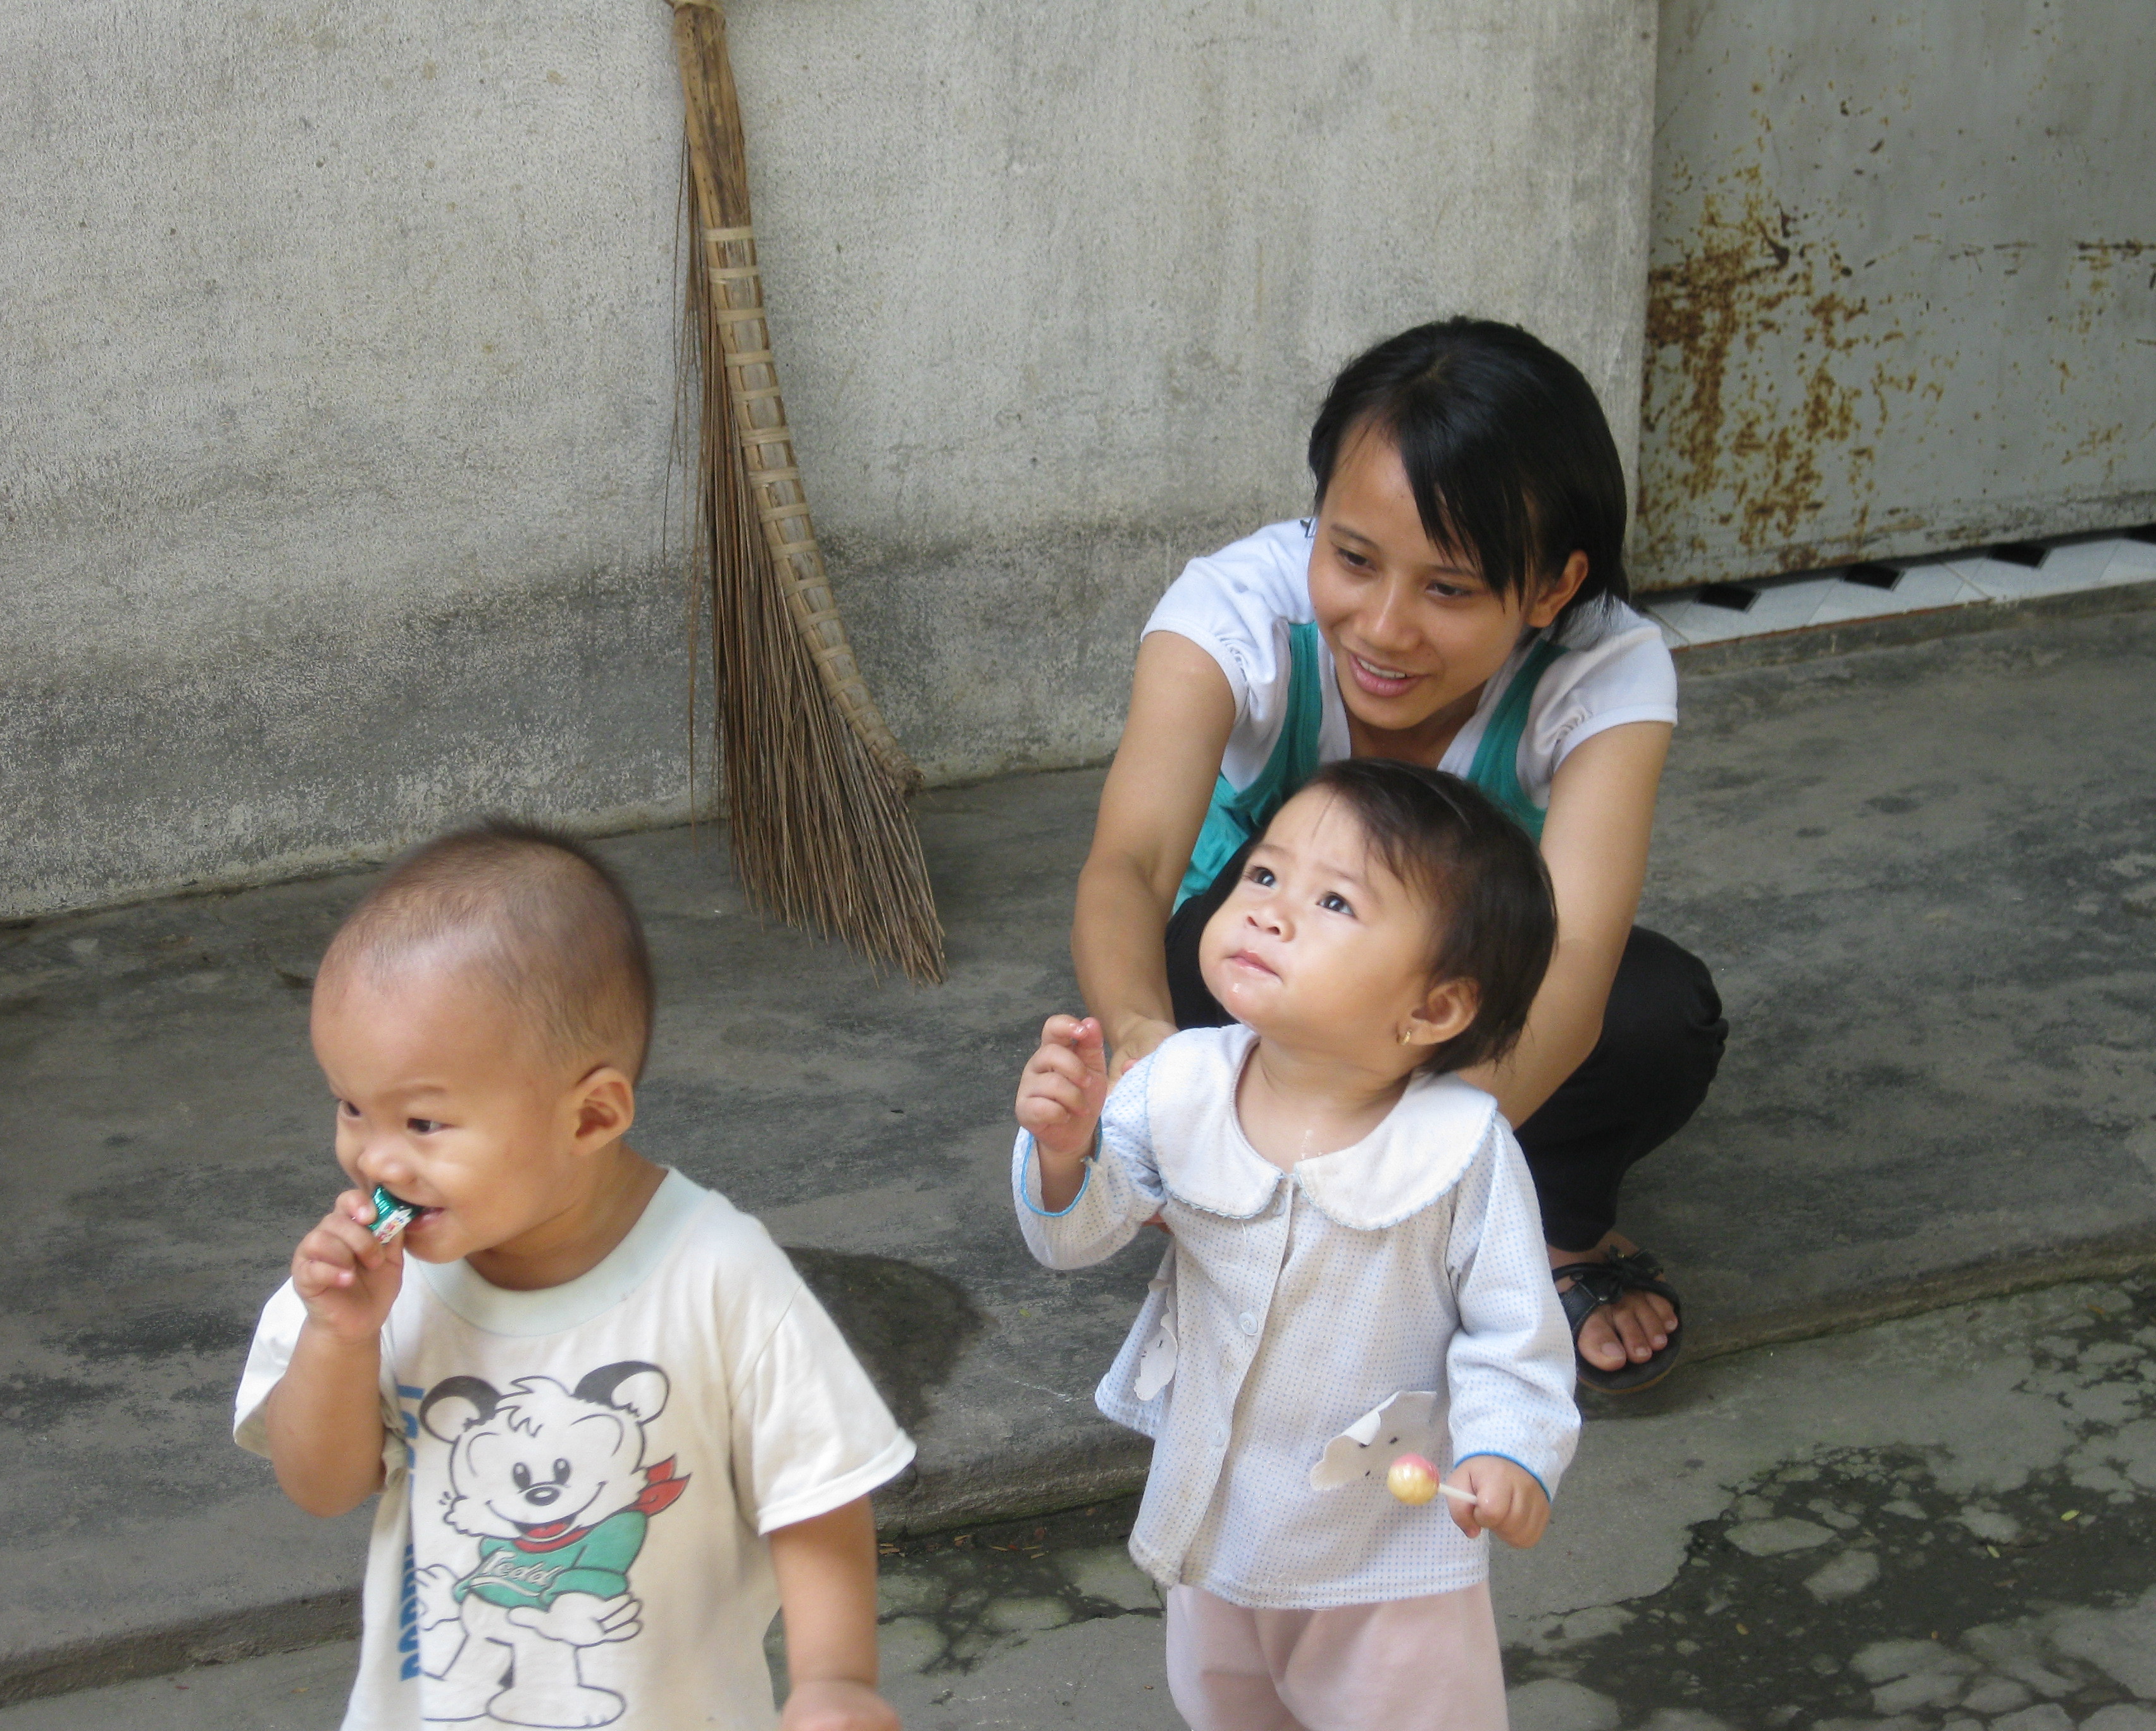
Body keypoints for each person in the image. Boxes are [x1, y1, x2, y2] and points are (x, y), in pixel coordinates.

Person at [1073, 317, 1726, 1392]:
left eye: (1451, 588)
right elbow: (1130, 871)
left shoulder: (1606, 669)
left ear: (1553, 590)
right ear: (1317, 519)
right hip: (1250, 994)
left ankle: (1538, 1227)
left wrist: (1387, 1191)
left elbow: (1565, 975)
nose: (1382, 628)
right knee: (1213, 948)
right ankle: (1265, 1187)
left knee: (1656, 1015)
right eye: (1354, 557)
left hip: (1452, 1002)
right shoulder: (1234, 610)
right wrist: (1143, 1046)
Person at [234, 822, 913, 1731]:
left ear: (592, 1115)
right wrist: (338, 1338)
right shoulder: (372, 1288)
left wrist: (835, 1680)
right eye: (352, 1106)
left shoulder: (715, 1275)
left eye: (425, 1123)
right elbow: (320, 1486)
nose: (376, 1160)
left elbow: (817, 1490)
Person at [1014, 759, 1580, 1731]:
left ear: (1435, 1008)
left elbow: (1514, 1329)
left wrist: (1509, 1452)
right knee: (1227, 1704)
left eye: (1332, 902)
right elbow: (1078, 1238)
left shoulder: (1456, 1151)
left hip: (1384, 1548)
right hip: (1220, 1514)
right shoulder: (1179, 1082)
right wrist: (1070, 1154)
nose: (1270, 912)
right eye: (1264, 877)